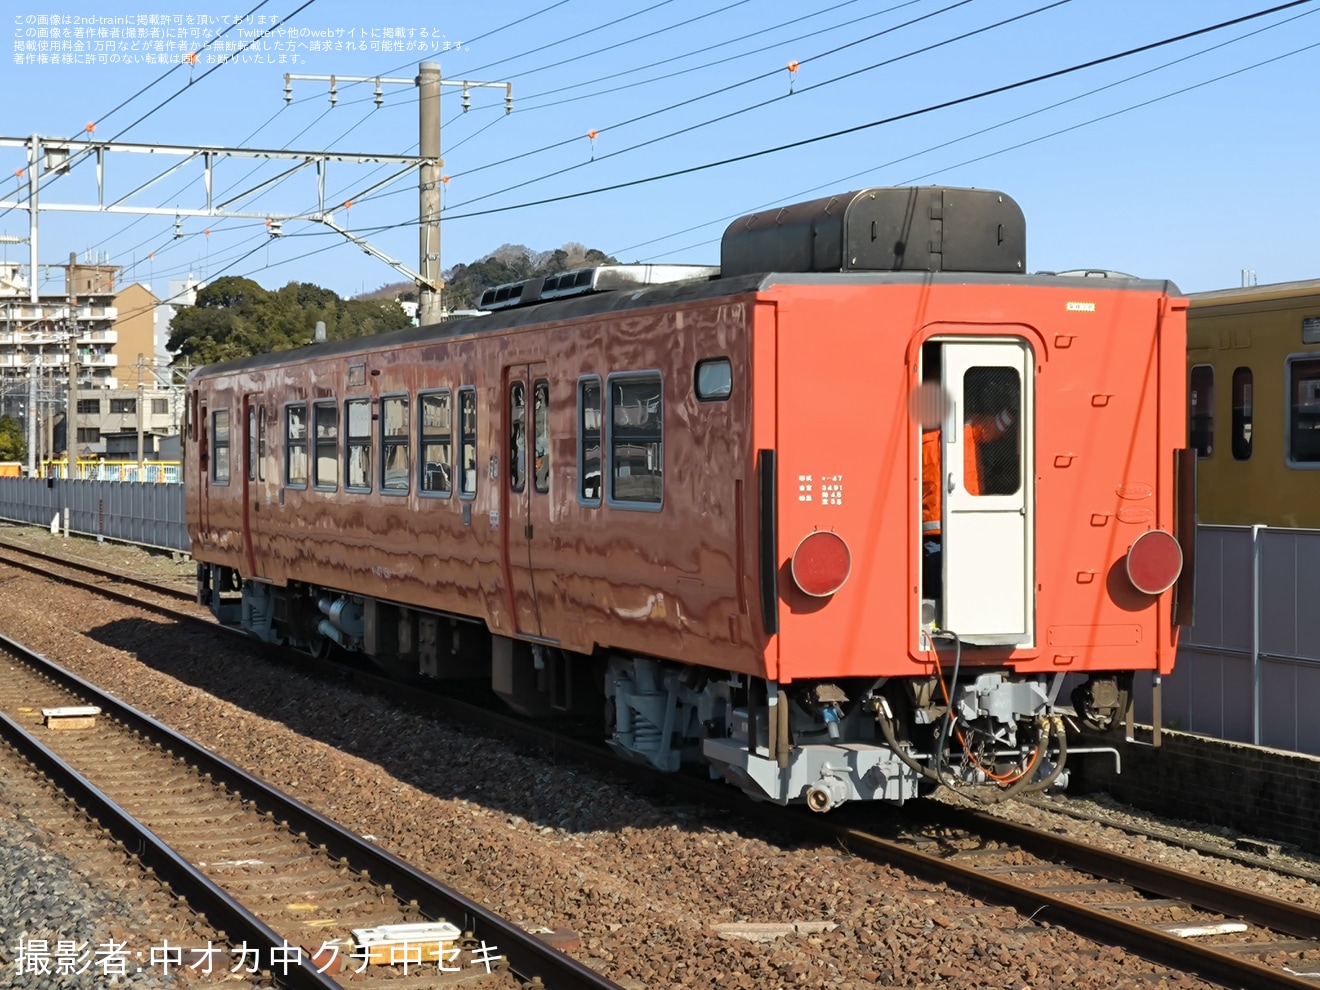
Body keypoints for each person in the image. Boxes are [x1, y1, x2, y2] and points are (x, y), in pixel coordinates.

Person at [921, 398, 1016, 603]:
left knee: (959, 577)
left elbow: (994, 427)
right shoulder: (920, 434)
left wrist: (1012, 409)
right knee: (941, 579)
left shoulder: (966, 425)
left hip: (960, 520)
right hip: (939, 527)